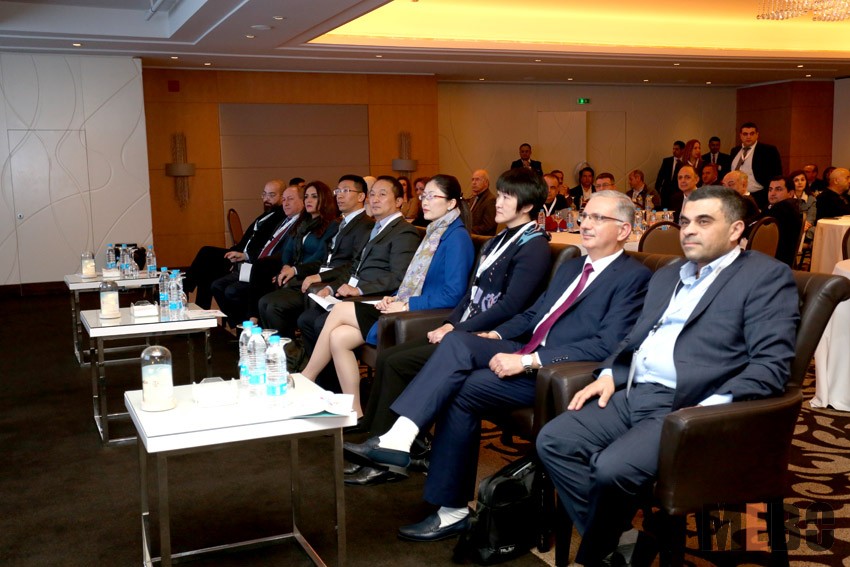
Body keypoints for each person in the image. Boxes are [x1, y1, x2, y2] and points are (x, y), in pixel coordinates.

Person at [343, 190, 652, 543]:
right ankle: (408, 447)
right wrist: (495, 333)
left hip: (558, 372)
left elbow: (606, 345)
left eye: (599, 218)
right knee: (457, 341)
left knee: (460, 388)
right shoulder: (571, 267)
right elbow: (535, 315)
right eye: (585, 215)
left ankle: (441, 496)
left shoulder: (634, 277)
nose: (586, 224)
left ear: (624, 230)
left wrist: (528, 361)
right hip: (525, 348)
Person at [537, 185, 799, 567]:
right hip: (635, 391)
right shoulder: (669, 273)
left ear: (736, 229)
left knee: (611, 469)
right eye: (685, 221)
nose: (688, 230)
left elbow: (771, 366)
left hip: (689, 406)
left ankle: (592, 558)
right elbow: (635, 337)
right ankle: (626, 541)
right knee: (554, 440)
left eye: (704, 221)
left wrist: (706, 409)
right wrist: (611, 372)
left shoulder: (765, 277)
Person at [348, 169, 552, 486]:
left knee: (400, 363)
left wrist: (459, 329)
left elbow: (511, 306)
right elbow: (470, 295)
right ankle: (386, 444)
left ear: (527, 205)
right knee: (391, 358)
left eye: (507, 197)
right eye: (499, 194)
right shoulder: (498, 240)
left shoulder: (534, 246)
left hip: (489, 336)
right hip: (465, 329)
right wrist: (449, 323)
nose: (498, 202)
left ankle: (388, 454)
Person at [299, 174, 475, 415]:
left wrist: (407, 304)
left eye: (432, 196)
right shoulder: (435, 232)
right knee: (339, 337)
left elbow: (454, 294)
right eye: (423, 196)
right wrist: (395, 297)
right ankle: (355, 412)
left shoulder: (456, 237)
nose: (424, 201)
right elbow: (413, 281)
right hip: (406, 306)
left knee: (339, 309)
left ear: (452, 203)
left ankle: (307, 377)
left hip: (423, 316)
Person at [296, 176, 421, 366]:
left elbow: (398, 277)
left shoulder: (404, 231)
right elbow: (354, 266)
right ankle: (324, 380)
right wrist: (331, 288)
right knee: (306, 319)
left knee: (320, 322)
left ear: (398, 201)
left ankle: (320, 378)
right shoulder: (375, 228)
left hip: (374, 298)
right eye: (373, 194)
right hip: (354, 295)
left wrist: (359, 290)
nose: (375, 199)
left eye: (382, 194)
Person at [258, 175, 373, 340]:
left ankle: (286, 349)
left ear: (361, 196)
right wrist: (291, 268)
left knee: (274, 306)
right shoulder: (342, 222)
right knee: (264, 301)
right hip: (319, 276)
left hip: (335, 281)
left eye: (346, 191)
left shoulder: (363, 225)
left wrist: (315, 276)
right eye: (338, 191)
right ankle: (280, 348)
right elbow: (318, 257)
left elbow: (353, 264)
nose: (339, 195)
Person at [211, 183, 304, 326]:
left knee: (232, 291)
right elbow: (264, 246)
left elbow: (288, 253)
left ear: (302, 201)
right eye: (284, 199)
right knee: (217, 285)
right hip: (256, 264)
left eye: (290, 199)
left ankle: (249, 324)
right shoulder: (284, 221)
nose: (285, 203)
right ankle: (240, 326)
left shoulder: (301, 224)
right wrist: (246, 256)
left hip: (270, 269)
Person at [183, 180, 285, 309]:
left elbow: (266, 248)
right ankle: (200, 307)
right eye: (264, 194)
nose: (266, 199)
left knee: (206, 255)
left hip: (248, 260)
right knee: (207, 264)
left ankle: (186, 288)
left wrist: (243, 255)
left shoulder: (280, 217)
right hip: (239, 253)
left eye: (271, 195)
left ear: (282, 197)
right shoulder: (266, 215)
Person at [730, 122, 783, 209]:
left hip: (758, 195)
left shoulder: (768, 150)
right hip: (736, 195)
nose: (748, 137)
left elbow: (777, 174)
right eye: (745, 134)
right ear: (740, 135)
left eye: (752, 134)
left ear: (757, 135)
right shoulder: (734, 151)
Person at [762, 176, 803, 267]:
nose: (772, 193)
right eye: (770, 189)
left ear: (790, 193)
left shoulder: (784, 208)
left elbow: (756, 228)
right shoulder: (772, 207)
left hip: (774, 262)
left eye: (778, 189)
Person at [466, 169, 497, 235]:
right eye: (472, 179)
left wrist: (467, 231)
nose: (474, 182)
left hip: (481, 239)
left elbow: (488, 226)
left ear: (486, 182)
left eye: (477, 179)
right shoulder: (473, 198)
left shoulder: (491, 200)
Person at [655, 141, 685, 209]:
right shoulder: (667, 161)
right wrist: (657, 190)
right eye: (673, 149)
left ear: (682, 150)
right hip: (666, 192)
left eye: (676, 149)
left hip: (679, 192)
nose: (674, 151)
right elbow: (660, 176)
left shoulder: (685, 162)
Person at [790, 169, 817, 241]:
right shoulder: (787, 197)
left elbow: (811, 217)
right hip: (791, 226)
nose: (800, 182)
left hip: (806, 227)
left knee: (815, 231)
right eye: (796, 180)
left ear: (806, 182)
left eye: (802, 180)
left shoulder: (811, 199)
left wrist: (803, 227)